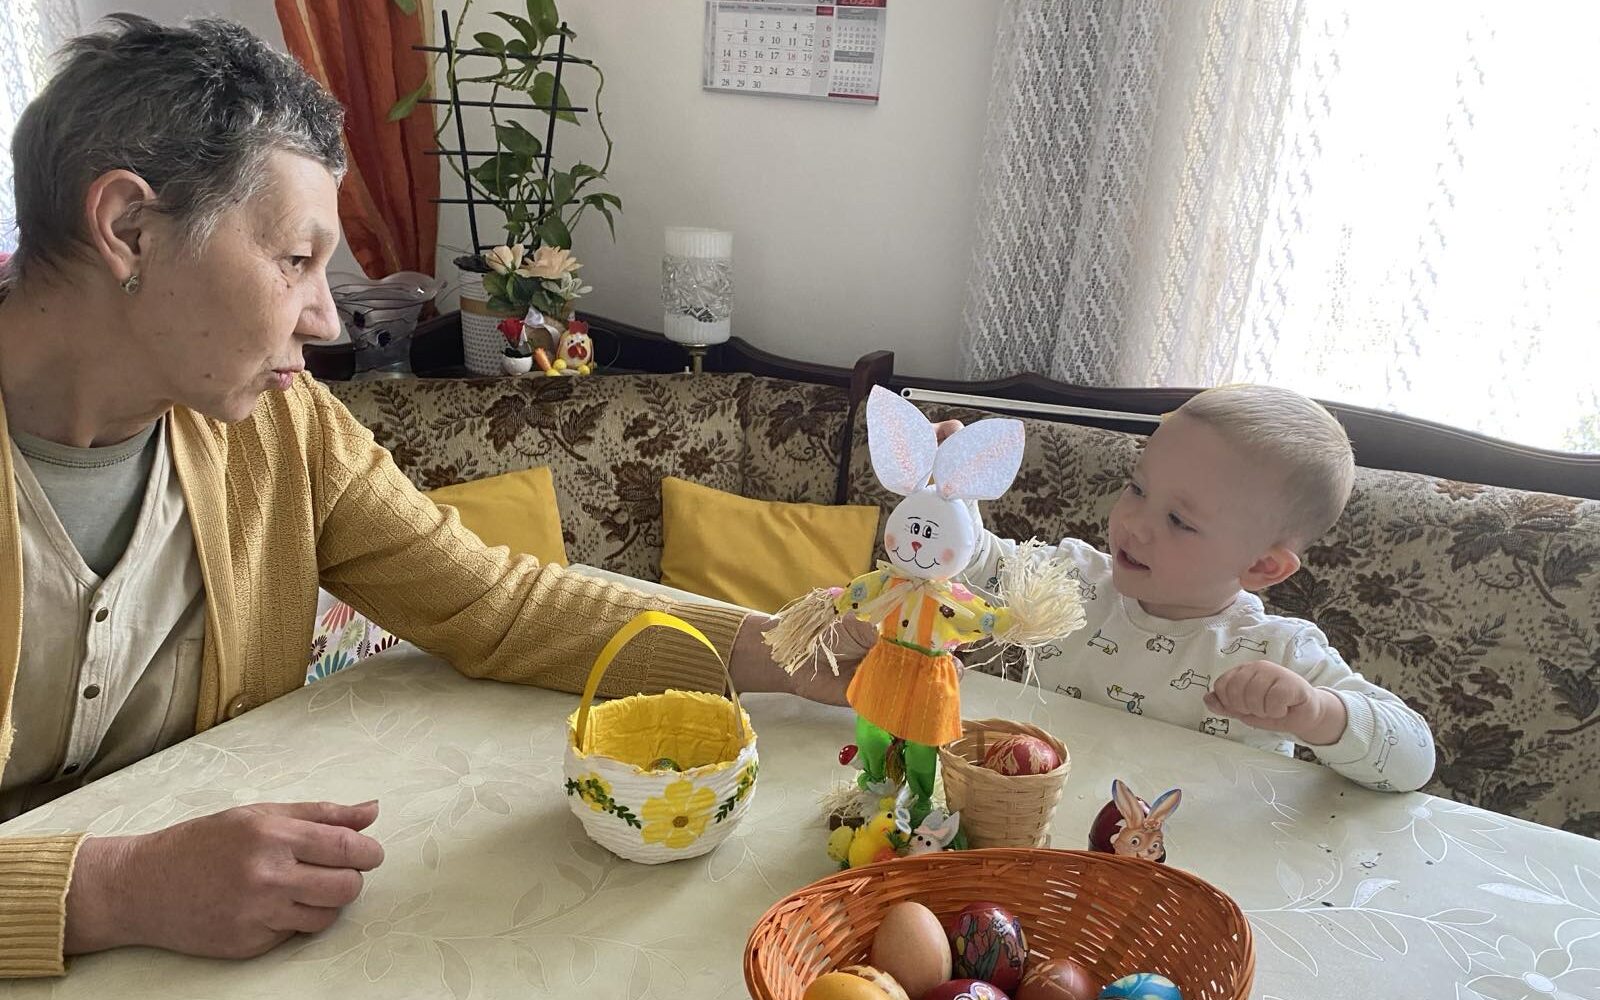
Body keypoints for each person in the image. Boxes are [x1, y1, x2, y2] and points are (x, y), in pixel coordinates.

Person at [0, 16, 860, 977]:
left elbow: (496, 603)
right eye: (295, 260)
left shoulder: (281, 428)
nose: (326, 320)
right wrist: (114, 889)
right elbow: (130, 887)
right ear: (129, 228)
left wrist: (793, 647)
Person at [941, 384, 1436, 792]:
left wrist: (1317, 713)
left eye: (1179, 520)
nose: (1134, 524)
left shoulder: (1276, 652)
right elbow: (973, 564)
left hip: (1185, 859)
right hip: (1040, 829)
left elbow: (1414, 760)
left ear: (1262, 566)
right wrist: (948, 496)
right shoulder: (1071, 582)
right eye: (1137, 488)